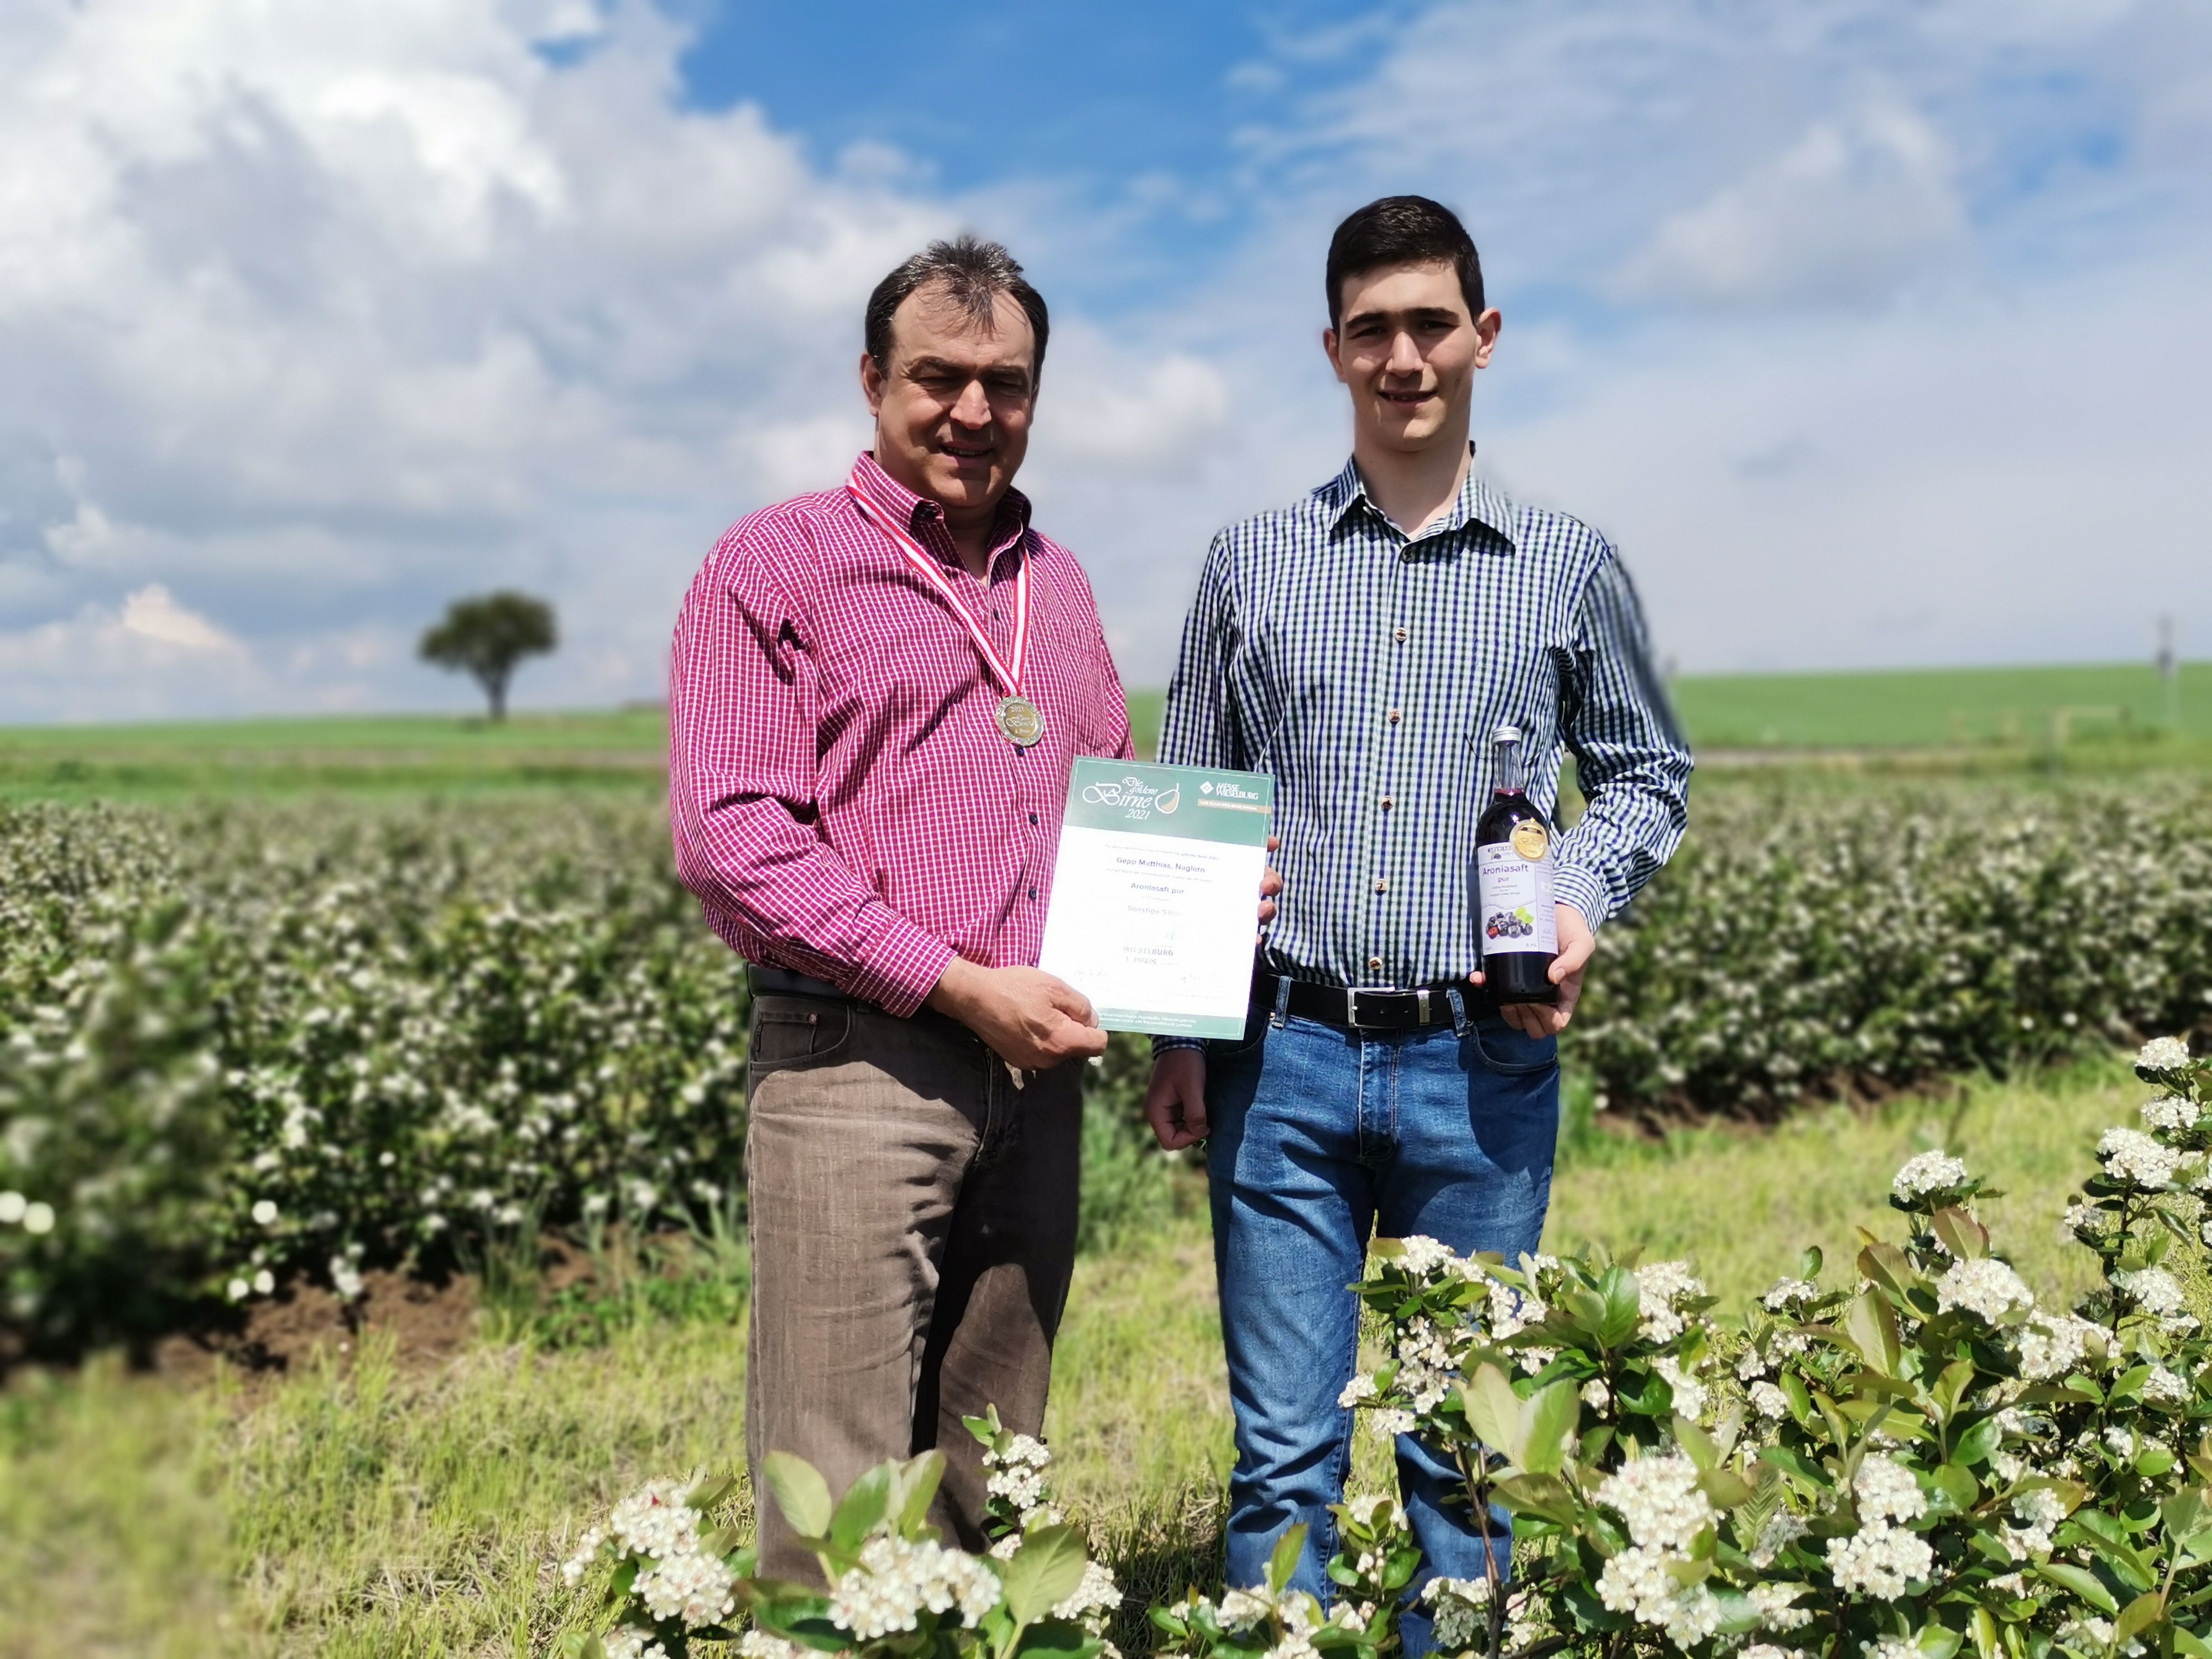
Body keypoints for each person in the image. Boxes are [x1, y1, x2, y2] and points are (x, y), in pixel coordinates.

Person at [1143, 196, 1693, 1646]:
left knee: (1468, 1457)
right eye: (1371, 329)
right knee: (1282, 1459)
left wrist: (1577, 899)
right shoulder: (1247, 561)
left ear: (1483, 337)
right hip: (1284, 1058)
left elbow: (1647, 772)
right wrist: (1178, 1037)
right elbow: (1194, 800)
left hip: (1480, 1059)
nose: (1404, 357)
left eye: (1430, 325)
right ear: (1331, 348)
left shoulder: (1570, 562)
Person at [667, 235, 1134, 1576]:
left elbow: (1103, 797)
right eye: (938, 377)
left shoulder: (1059, 585)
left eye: (1007, 383)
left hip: (1032, 1082)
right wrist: (955, 982)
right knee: (839, 1484)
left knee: (995, 1457)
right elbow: (733, 839)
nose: (974, 411)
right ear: (872, 381)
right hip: (854, 1062)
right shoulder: (775, 564)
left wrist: (1207, 898)